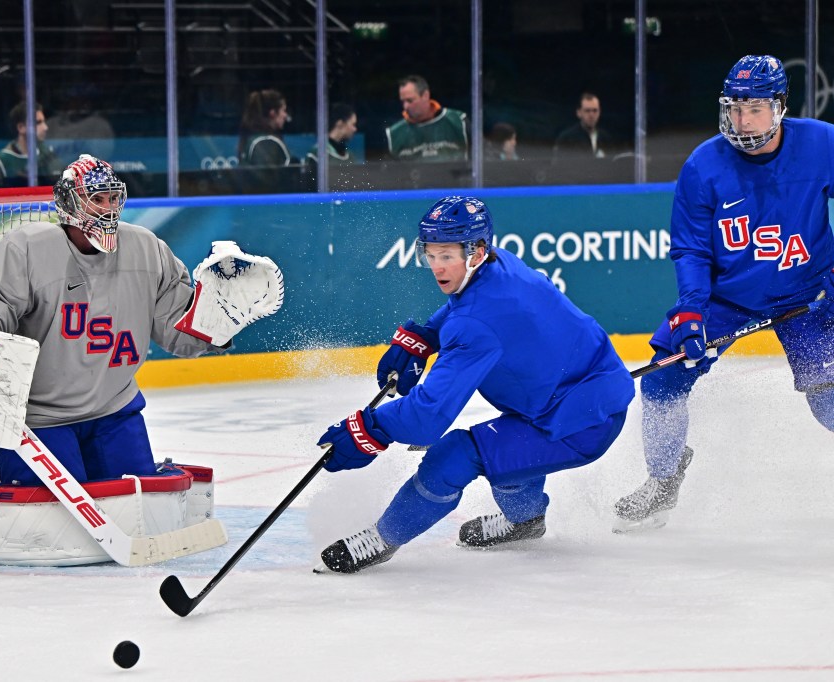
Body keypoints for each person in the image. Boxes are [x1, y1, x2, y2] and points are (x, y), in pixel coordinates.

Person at [315, 196, 635, 573]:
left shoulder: (476, 327)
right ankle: (526, 522)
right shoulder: (498, 263)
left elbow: (427, 418)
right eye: (430, 255)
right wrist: (426, 336)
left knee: (455, 456)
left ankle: (382, 539)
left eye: (447, 256)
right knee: (505, 453)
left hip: (579, 421)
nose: (437, 267)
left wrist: (368, 429)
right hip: (571, 394)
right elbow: (464, 306)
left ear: (477, 251)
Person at [0, 154, 283, 486]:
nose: (108, 209)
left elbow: (177, 331)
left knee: (140, 512)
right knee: (54, 526)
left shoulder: (147, 248)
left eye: (113, 198)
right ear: (70, 204)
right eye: (95, 199)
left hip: (113, 411)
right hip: (39, 419)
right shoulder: (29, 249)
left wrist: (216, 322)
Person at [613, 55, 834, 531]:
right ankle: (663, 480)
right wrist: (691, 312)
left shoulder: (821, 143)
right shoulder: (704, 165)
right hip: (727, 301)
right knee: (660, 382)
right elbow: (690, 248)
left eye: (753, 109)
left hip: (811, 296)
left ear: (780, 106)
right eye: (734, 108)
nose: (741, 121)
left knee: (829, 401)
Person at [385, 75, 469, 162]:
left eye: (410, 101)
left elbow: (482, 157)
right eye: (403, 101)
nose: (405, 106)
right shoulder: (394, 134)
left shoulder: (459, 121)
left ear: (425, 95)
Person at [0, 101, 62, 180]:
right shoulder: (1, 162)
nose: (45, 127)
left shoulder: (47, 153)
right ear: (21, 127)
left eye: (44, 121)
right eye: (38, 123)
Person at [237, 89, 296, 167]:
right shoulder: (266, 143)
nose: (285, 115)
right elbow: (266, 178)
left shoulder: (254, 138)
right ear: (273, 113)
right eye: (283, 110)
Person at [553, 92, 614, 160]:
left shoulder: (606, 138)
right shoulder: (567, 138)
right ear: (579, 113)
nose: (591, 115)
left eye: (595, 110)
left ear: (599, 112)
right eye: (587, 111)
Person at [305, 102, 358, 170]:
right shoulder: (317, 154)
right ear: (340, 124)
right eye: (353, 124)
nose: (355, 129)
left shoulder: (350, 157)